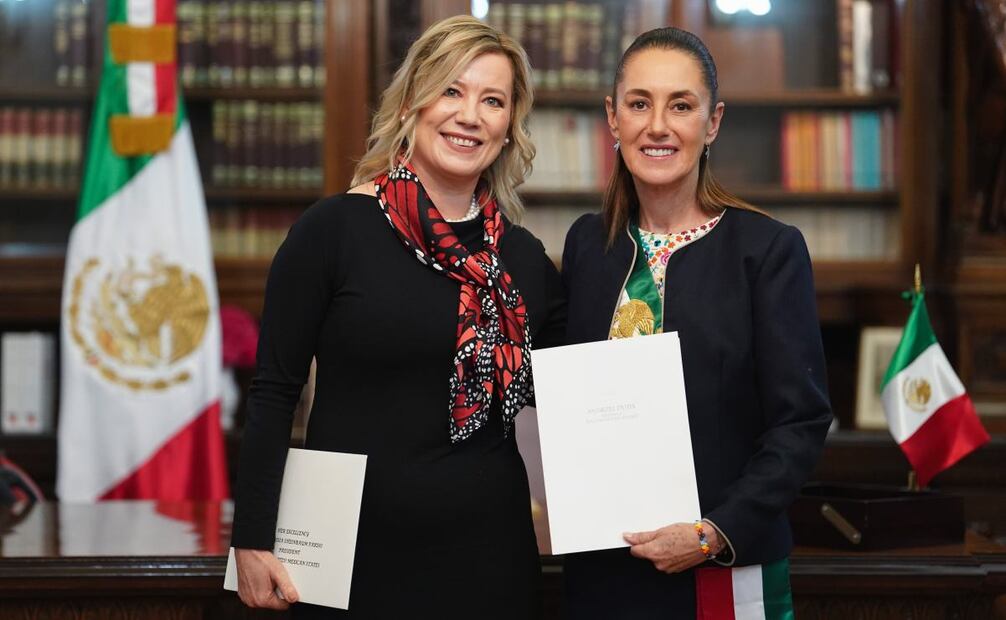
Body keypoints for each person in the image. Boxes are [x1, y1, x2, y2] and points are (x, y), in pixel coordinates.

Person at [230, 16, 565, 619]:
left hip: (491, 560)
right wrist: (250, 539)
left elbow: (578, 387)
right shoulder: (332, 232)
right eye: (451, 91)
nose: (470, 115)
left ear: (509, 127)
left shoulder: (522, 259)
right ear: (413, 103)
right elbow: (274, 391)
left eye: (493, 100)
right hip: (354, 560)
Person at [560, 27, 832, 618]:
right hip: (601, 573)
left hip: (720, 568)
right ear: (613, 117)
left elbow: (800, 423)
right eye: (639, 104)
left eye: (680, 105)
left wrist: (713, 533)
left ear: (712, 123)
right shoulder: (587, 245)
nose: (657, 126)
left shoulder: (767, 250)